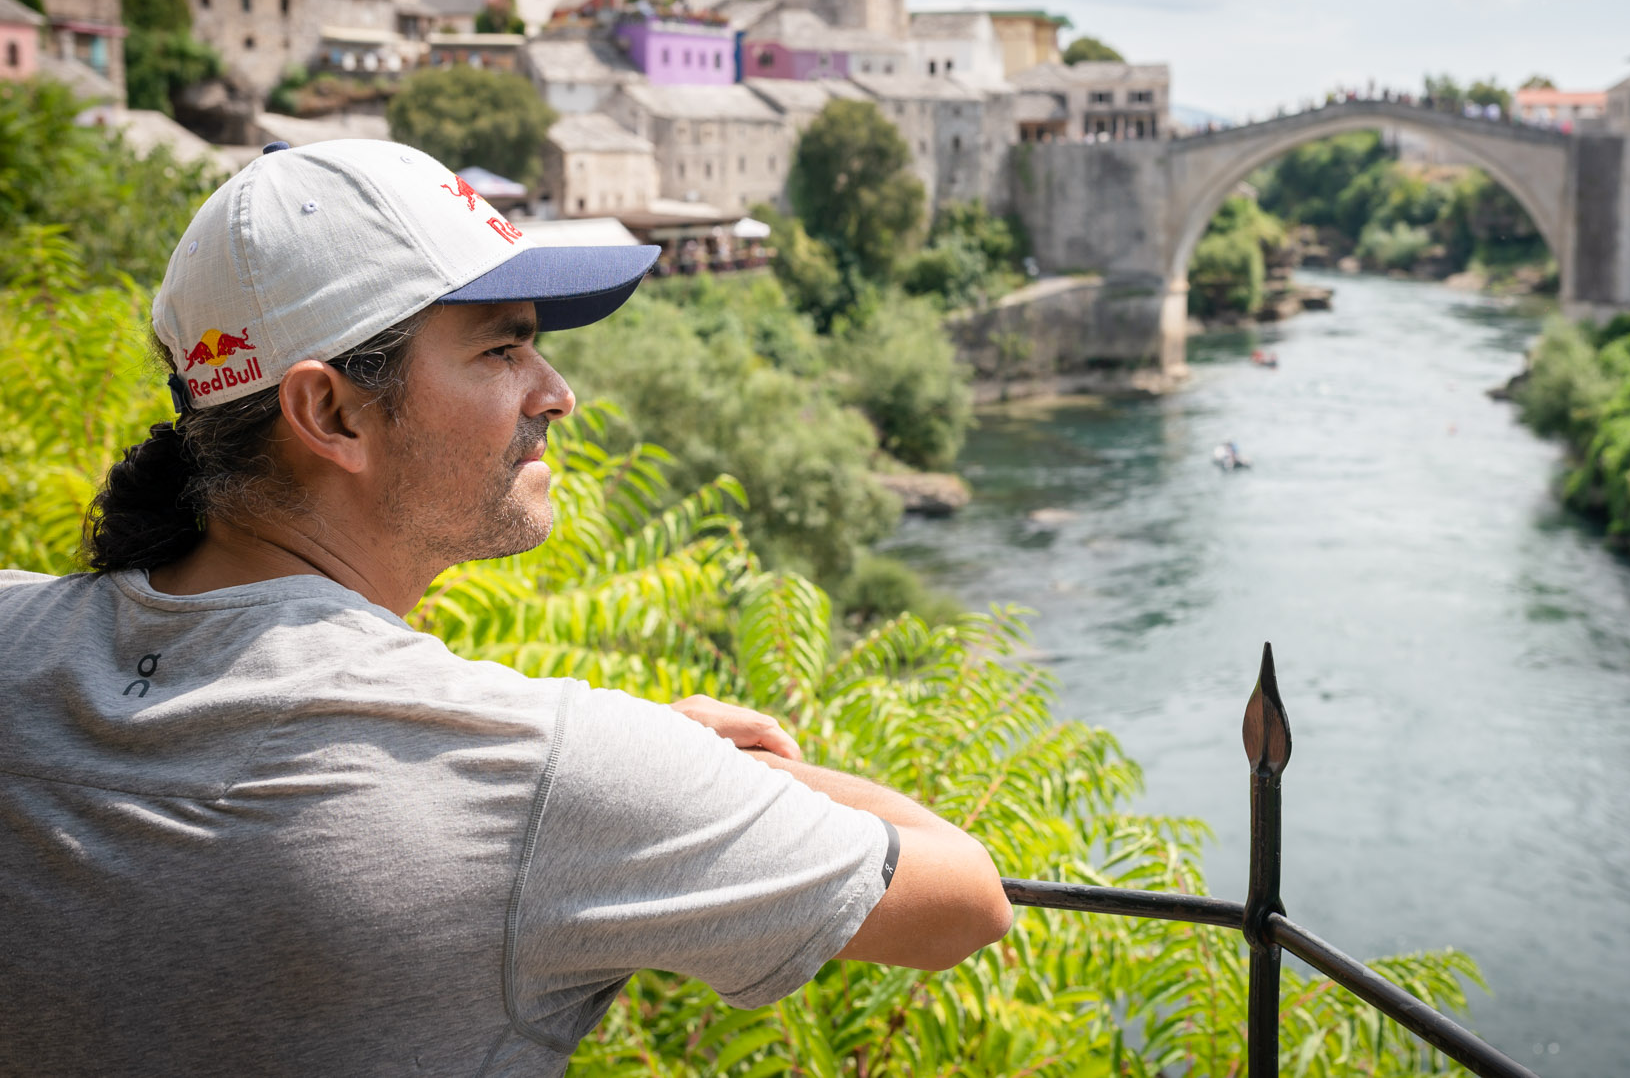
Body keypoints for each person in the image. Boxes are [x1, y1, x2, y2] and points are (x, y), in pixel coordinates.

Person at [0, 141, 1010, 1077]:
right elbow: (961, 899)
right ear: (331, 411)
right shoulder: (543, 766)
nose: (556, 391)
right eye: (501, 350)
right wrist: (675, 761)